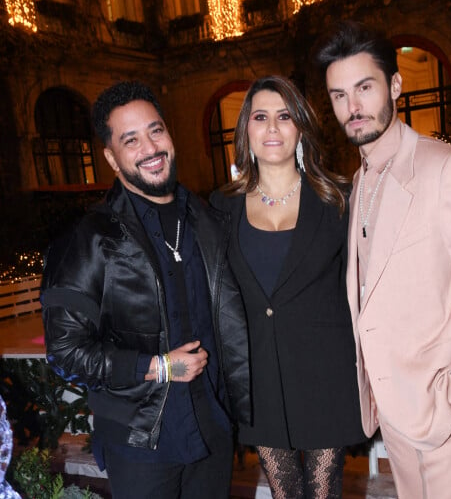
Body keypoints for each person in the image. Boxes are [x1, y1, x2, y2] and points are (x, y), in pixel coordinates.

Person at [314, 21, 451, 499]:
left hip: (443, 407)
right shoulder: (361, 180)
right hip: (393, 408)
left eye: (364, 88)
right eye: (339, 95)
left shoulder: (449, 169)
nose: (352, 108)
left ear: (394, 85)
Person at [41, 81, 250, 499]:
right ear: (111, 157)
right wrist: (158, 367)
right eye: (130, 139)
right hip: (139, 439)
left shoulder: (208, 223)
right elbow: (64, 350)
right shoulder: (91, 238)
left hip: (211, 427)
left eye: (156, 130)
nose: (150, 147)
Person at [210, 75, 366, 499]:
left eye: (284, 116)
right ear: (246, 129)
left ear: (300, 127)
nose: (273, 128)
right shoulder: (221, 207)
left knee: (322, 489)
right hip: (260, 377)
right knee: (284, 491)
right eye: (261, 117)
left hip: (327, 373)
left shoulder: (339, 198)